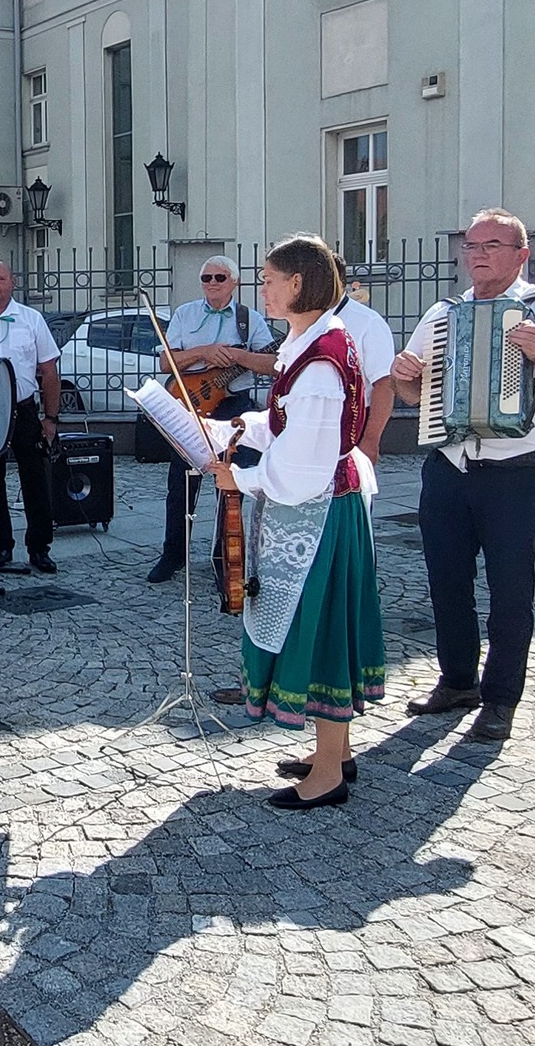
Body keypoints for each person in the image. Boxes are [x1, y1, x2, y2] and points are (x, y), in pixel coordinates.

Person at [388, 208, 535, 744]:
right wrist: (405, 377)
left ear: (521, 255)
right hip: (447, 468)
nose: (478, 253)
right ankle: (457, 681)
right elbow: (414, 394)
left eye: (492, 244)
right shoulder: (443, 313)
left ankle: (501, 698)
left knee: (511, 590)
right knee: (446, 582)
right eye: (471, 245)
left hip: (514, 473)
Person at [205, 234, 382, 810]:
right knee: (322, 624)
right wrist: (238, 430)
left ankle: (328, 773)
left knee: (322, 629)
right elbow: (286, 425)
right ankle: (335, 750)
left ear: (298, 284)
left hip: (320, 514)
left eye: (269, 279)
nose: (262, 288)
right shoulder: (308, 343)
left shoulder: (322, 361)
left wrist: (242, 480)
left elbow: (303, 466)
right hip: (323, 507)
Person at [146, 255, 278, 585]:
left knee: (230, 484)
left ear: (234, 282)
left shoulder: (250, 320)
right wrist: (204, 352)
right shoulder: (184, 314)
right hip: (190, 403)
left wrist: (237, 356)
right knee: (181, 483)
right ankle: (173, 554)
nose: (213, 283)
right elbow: (166, 362)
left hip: (233, 406)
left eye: (220, 277)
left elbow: (273, 364)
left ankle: (226, 560)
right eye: (207, 278)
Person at [0, 259, 63, 575]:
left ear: (12, 282)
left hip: (24, 409)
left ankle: (39, 548)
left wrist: (51, 418)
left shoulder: (31, 320)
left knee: (35, 480)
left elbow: (49, 371)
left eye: (0, 279)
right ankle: (1, 545)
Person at [336, 280, 399, 466]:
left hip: (353, 422)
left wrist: (371, 441)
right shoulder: (307, 318)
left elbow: (385, 383)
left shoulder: (367, 321)